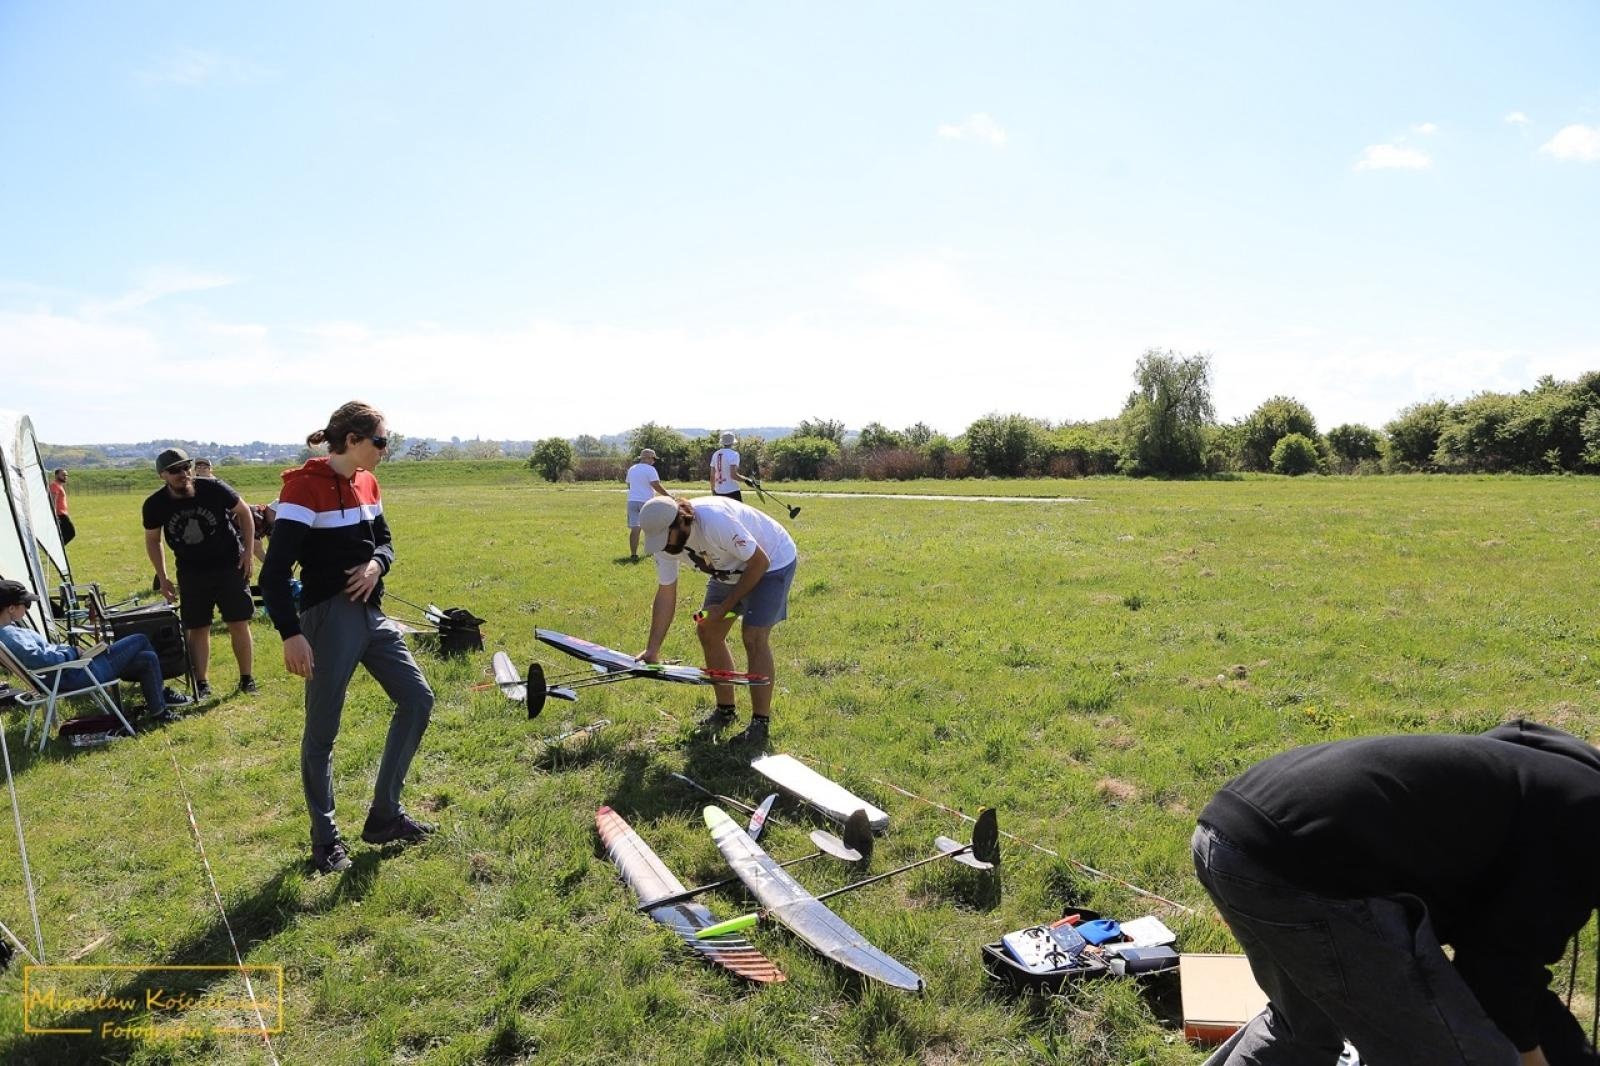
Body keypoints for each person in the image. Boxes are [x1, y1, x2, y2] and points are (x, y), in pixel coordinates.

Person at [1192, 719, 1600, 1066]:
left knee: (1303, 1028)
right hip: (1308, 869)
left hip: (1235, 825)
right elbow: (1496, 977)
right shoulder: (1585, 834)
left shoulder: (1573, 777)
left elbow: (1514, 736)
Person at [260, 401, 435, 876]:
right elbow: (274, 574)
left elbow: (385, 541)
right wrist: (291, 634)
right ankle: (326, 838)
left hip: (372, 615)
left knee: (418, 699)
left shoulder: (369, 482)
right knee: (322, 735)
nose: (386, 449)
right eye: (381, 441)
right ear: (353, 441)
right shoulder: (303, 487)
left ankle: (384, 817)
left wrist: (377, 564)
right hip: (325, 620)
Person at [636, 493, 797, 747]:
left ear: (681, 522)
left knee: (753, 636)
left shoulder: (715, 520)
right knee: (708, 631)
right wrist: (653, 649)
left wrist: (726, 606)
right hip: (730, 571)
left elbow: (759, 562)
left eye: (665, 538)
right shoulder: (665, 544)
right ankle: (725, 711)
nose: (663, 546)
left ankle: (759, 724)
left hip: (771, 563)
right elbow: (666, 593)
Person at [142, 448, 257, 699]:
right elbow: (153, 540)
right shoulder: (154, 504)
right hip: (191, 572)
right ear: (162, 475)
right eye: (175, 470)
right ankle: (202, 684)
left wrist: (247, 552)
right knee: (198, 627)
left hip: (229, 565)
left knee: (238, 622)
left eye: (186, 467)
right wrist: (162, 576)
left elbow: (244, 512)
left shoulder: (213, 488)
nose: (184, 474)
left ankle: (247, 679)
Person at [0, 579, 188, 725]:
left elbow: (43, 655)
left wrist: (71, 651)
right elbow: (41, 659)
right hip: (76, 674)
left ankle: (159, 710)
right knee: (139, 639)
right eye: (25, 604)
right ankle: (160, 697)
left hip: (69, 672)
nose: (27, 608)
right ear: (11, 608)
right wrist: (73, 652)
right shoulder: (10, 634)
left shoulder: (8, 632)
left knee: (147, 658)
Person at [624, 448, 667, 561]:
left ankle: (633, 554)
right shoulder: (650, 469)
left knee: (635, 529)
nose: (654, 461)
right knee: (653, 528)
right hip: (646, 502)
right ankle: (653, 551)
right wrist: (668, 496)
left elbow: (629, 485)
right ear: (648, 458)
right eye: (653, 458)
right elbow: (655, 485)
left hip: (632, 501)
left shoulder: (632, 469)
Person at [709, 432, 742, 500]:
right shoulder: (734, 454)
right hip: (732, 491)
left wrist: (713, 489)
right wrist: (746, 480)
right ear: (732, 442)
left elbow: (712, 475)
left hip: (718, 491)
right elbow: (733, 475)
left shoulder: (715, 454)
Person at [47, 468, 75, 546]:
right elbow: (52, 500)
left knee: (63, 534)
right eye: (63, 475)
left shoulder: (59, 486)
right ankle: (57, 548)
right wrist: (54, 514)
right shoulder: (54, 485)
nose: (65, 476)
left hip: (62, 514)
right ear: (56, 475)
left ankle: (58, 548)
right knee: (71, 533)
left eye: (66, 475)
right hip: (60, 515)